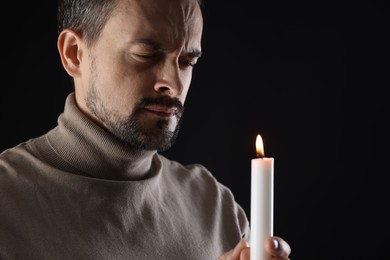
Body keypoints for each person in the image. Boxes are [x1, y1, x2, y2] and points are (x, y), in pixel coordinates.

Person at [0, 0, 291, 259]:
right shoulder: (8, 203)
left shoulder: (214, 205)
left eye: (187, 62)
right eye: (146, 55)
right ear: (74, 54)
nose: (175, 85)